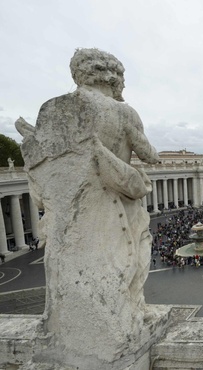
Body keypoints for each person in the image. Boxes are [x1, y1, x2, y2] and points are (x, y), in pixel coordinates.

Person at [15, 48, 162, 365]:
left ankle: (68, 332)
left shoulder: (51, 109)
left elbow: (42, 165)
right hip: (114, 204)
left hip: (66, 216)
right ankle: (134, 309)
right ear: (114, 76)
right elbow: (150, 155)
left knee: (69, 271)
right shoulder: (124, 112)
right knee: (135, 249)